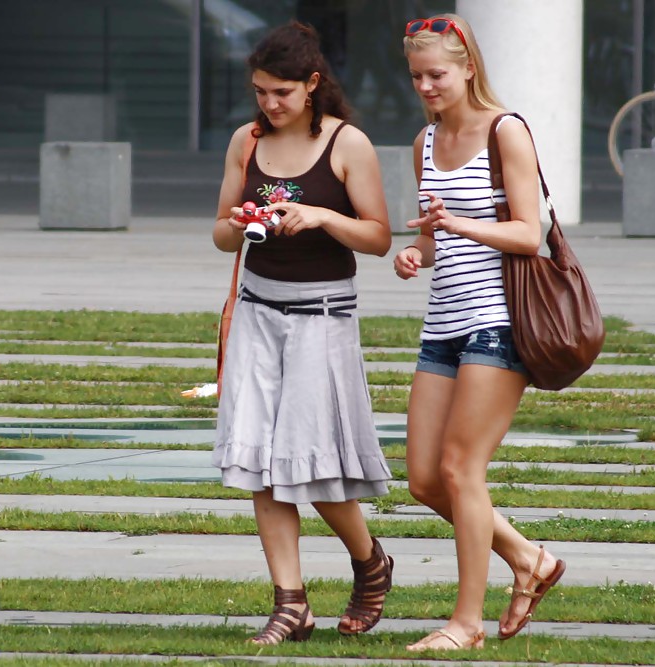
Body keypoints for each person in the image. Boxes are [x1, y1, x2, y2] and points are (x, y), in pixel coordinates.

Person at [211, 21, 395, 646]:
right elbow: (219, 232)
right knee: (262, 460)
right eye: (260, 90)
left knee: (309, 467)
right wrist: (242, 222)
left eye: (282, 92)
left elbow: (377, 237)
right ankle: (290, 603)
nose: (268, 103)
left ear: (313, 85)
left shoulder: (348, 144)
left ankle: (371, 561)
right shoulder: (247, 139)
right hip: (259, 311)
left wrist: (320, 215)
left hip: (321, 315)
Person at [393, 13, 567, 652]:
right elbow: (433, 238)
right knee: (424, 479)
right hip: (442, 323)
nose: (427, 87)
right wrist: (418, 253)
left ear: (468, 67)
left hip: (500, 323)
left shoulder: (506, 132)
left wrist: (459, 227)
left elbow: (530, 232)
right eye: (416, 77)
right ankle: (529, 558)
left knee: (462, 470)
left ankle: (464, 625)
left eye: (437, 74)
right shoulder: (424, 141)